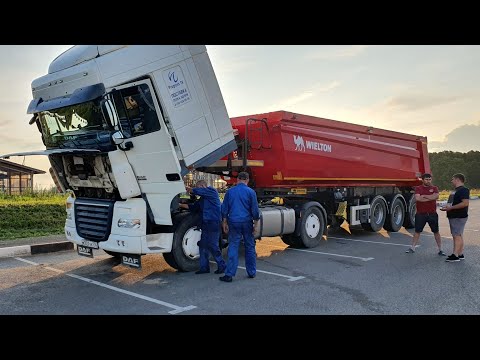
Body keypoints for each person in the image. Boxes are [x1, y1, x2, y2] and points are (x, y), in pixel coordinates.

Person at [219, 171, 260, 282]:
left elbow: (224, 209)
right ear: (247, 180)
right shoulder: (251, 192)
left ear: (237, 180)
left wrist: (224, 222)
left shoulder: (230, 192)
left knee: (233, 246)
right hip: (246, 222)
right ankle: (251, 272)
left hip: (234, 222)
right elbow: (255, 211)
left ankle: (229, 274)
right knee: (250, 247)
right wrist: (255, 225)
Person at [179, 180, 226, 274]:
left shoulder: (211, 191)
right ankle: (204, 268)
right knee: (203, 245)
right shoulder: (202, 199)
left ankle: (222, 265)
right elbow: (193, 207)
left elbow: (196, 191)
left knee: (213, 245)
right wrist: (180, 205)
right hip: (205, 223)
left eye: (198, 187)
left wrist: (187, 188)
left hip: (213, 223)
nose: (197, 190)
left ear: (203, 185)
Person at [405, 173, 446, 256]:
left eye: (430, 179)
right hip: (421, 214)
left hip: (432, 214)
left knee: (436, 232)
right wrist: (430, 197)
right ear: (423, 180)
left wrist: (424, 196)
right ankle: (412, 248)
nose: (428, 181)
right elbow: (418, 199)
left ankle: (440, 249)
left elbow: (436, 197)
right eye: (426, 179)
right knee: (417, 231)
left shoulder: (434, 188)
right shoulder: (418, 188)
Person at [440, 173, 470, 262]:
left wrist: (451, 208)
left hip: (459, 216)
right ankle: (460, 254)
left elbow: (465, 203)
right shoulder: (455, 191)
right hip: (453, 216)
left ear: (457, 180)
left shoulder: (464, 190)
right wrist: (447, 207)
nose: (451, 181)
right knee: (458, 235)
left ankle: (455, 255)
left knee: (457, 235)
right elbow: (452, 203)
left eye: (453, 179)